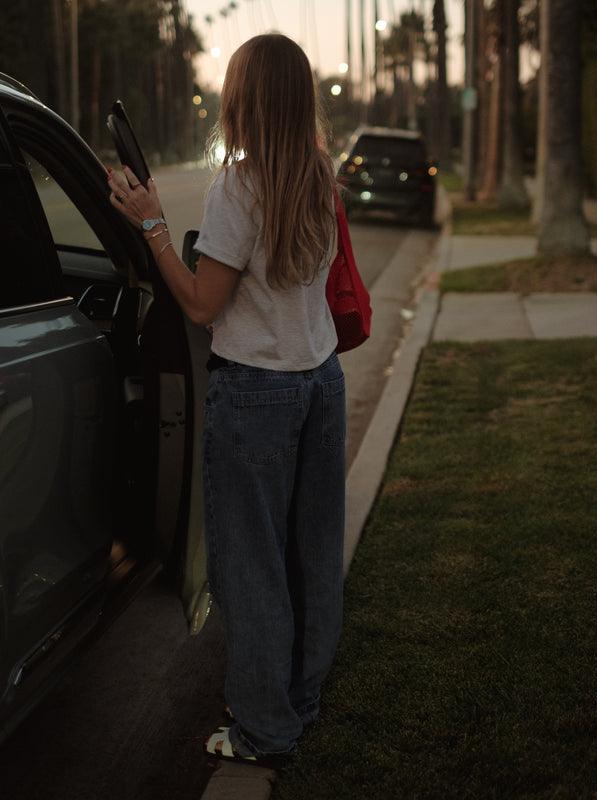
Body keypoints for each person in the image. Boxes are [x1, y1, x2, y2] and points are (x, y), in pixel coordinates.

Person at [108, 33, 346, 766]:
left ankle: (263, 730)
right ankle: (297, 704)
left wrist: (151, 226)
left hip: (258, 397)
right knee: (310, 558)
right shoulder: (318, 172)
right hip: (320, 383)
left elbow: (203, 306)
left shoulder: (239, 185)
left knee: (251, 570)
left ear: (245, 98)